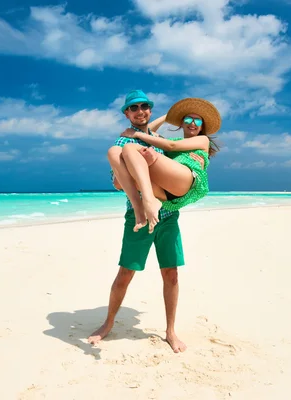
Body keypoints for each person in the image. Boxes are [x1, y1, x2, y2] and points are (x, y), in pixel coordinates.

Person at [87, 90, 200, 353]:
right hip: (136, 216)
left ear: (149, 110)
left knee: (171, 273)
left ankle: (170, 331)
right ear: (126, 113)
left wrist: (168, 122)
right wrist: (127, 177)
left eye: (145, 107)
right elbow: (116, 183)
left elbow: (170, 159)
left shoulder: (158, 139)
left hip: (168, 215)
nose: (140, 111)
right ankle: (108, 323)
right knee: (126, 272)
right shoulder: (122, 140)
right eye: (134, 108)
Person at [117, 97, 222, 233]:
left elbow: (171, 146)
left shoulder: (202, 140)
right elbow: (148, 132)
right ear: (182, 124)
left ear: (202, 126)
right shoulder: (175, 141)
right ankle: (149, 203)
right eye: (188, 120)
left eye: (198, 121)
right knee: (128, 178)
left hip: (185, 179)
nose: (192, 123)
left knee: (131, 148)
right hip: (169, 192)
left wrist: (136, 134)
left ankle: (147, 201)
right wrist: (168, 117)